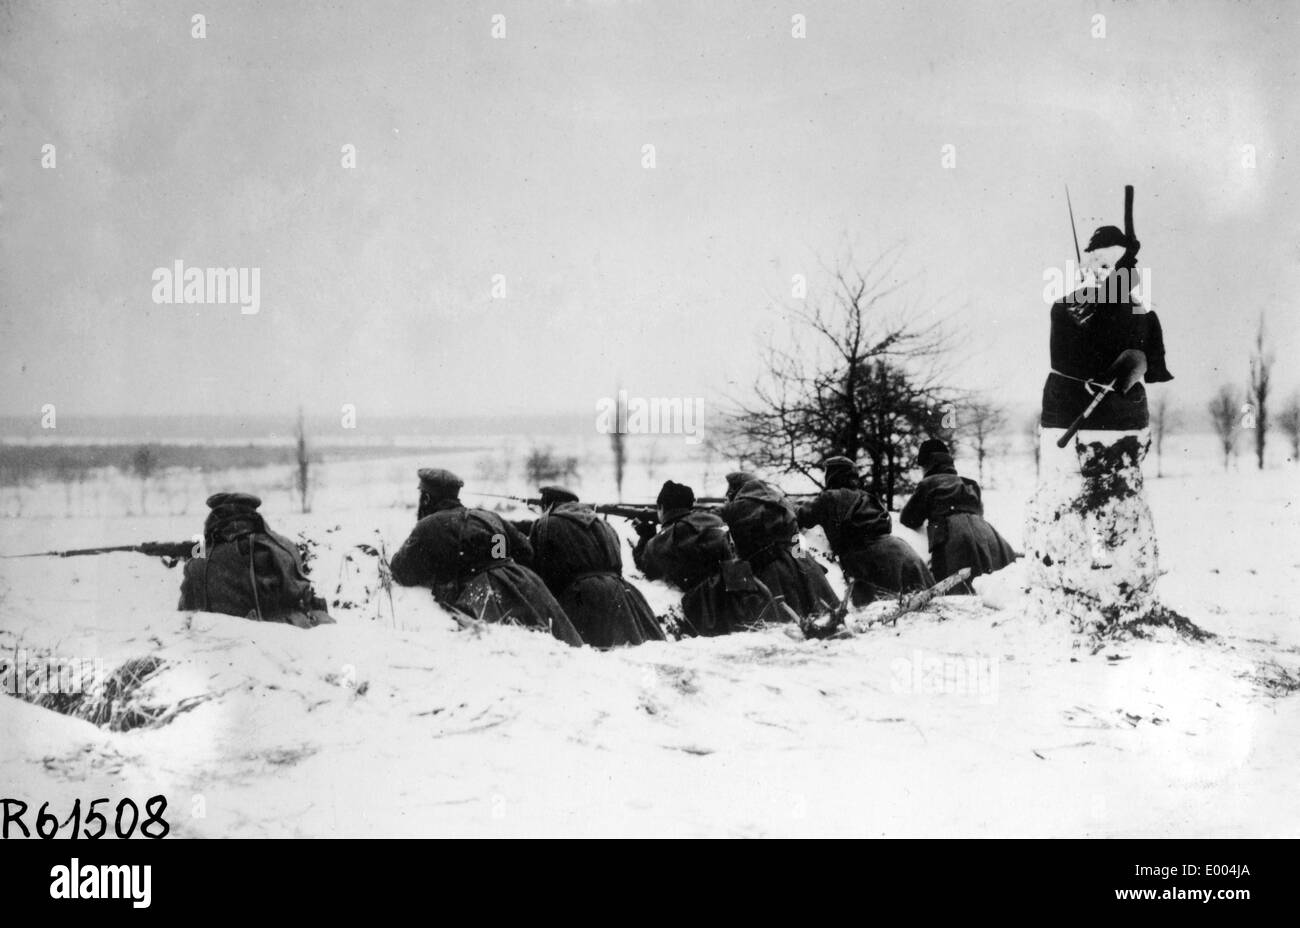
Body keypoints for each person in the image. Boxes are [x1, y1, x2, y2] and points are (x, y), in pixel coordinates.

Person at [1025, 201, 1173, 634]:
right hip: (1072, 421)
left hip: (1121, 424)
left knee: (1115, 507)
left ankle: (1118, 590)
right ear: (1085, 265)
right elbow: (1065, 361)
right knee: (1073, 505)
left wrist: (1124, 348)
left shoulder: (1141, 314)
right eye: (1096, 264)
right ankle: (1079, 591)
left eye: (1111, 264)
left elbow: (1152, 366)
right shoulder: (1067, 308)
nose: (1101, 272)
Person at [389, 469, 583, 646]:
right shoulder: (488, 516)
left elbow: (402, 572)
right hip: (525, 583)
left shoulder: (427, 526)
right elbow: (526, 551)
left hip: (484, 593)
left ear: (426, 498)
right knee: (559, 646)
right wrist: (501, 562)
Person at [632, 480, 782, 636]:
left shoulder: (663, 538)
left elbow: (647, 567)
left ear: (661, 507)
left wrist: (645, 536)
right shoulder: (713, 520)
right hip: (741, 578)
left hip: (707, 599)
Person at [526, 485, 666, 648]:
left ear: (547, 505)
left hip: (579, 598)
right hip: (622, 595)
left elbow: (542, 571)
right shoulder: (604, 524)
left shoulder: (546, 523)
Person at [178, 492, 334, 628]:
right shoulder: (277, 545)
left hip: (217, 643)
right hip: (280, 638)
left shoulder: (198, 559)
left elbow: (185, 610)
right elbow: (297, 595)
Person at [795, 457, 933, 607]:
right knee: (923, 608)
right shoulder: (867, 496)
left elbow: (802, 516)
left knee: (875, 613)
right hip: (900, 550)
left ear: (833, 475)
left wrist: (786, 506)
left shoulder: (830, 497)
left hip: (869, 559)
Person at [899, 439, 1018, 593]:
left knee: (956, 594)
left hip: (954, 536)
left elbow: (909, 519)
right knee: (990, 587)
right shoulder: (970, 484)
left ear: (927, 464)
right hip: (986, 533)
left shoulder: (928, 484)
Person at [717, 471, 839, 619]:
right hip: (801, 561)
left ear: (733, 489)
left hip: (770, 569)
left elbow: (740, 550)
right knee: (821, 613)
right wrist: (800, 561)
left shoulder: (736, 508)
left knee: (780, 623)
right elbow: (795, 535)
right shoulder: (781, 500)